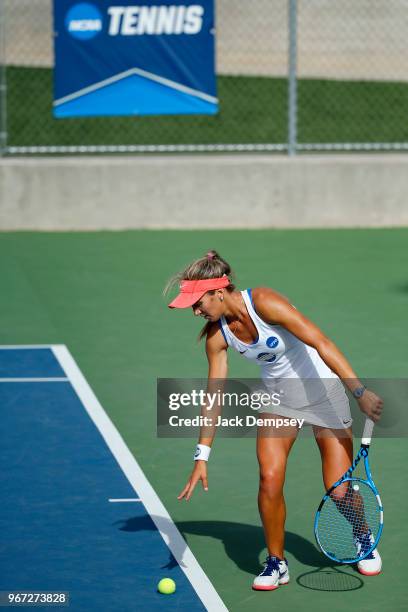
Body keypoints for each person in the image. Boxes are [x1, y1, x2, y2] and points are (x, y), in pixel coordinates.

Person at [166, 250, 383, 590]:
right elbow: (214, 396)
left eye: (198, 302)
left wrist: (359, 392)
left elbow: (321, 342)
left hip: (323, 391)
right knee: (269, 478)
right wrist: (202, 455)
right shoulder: (217, 336)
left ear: (219, 292)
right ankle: (276, 562)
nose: (196, 310)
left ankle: (361, 531)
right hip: (280, 398)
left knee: (339, 490)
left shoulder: (265, 301)